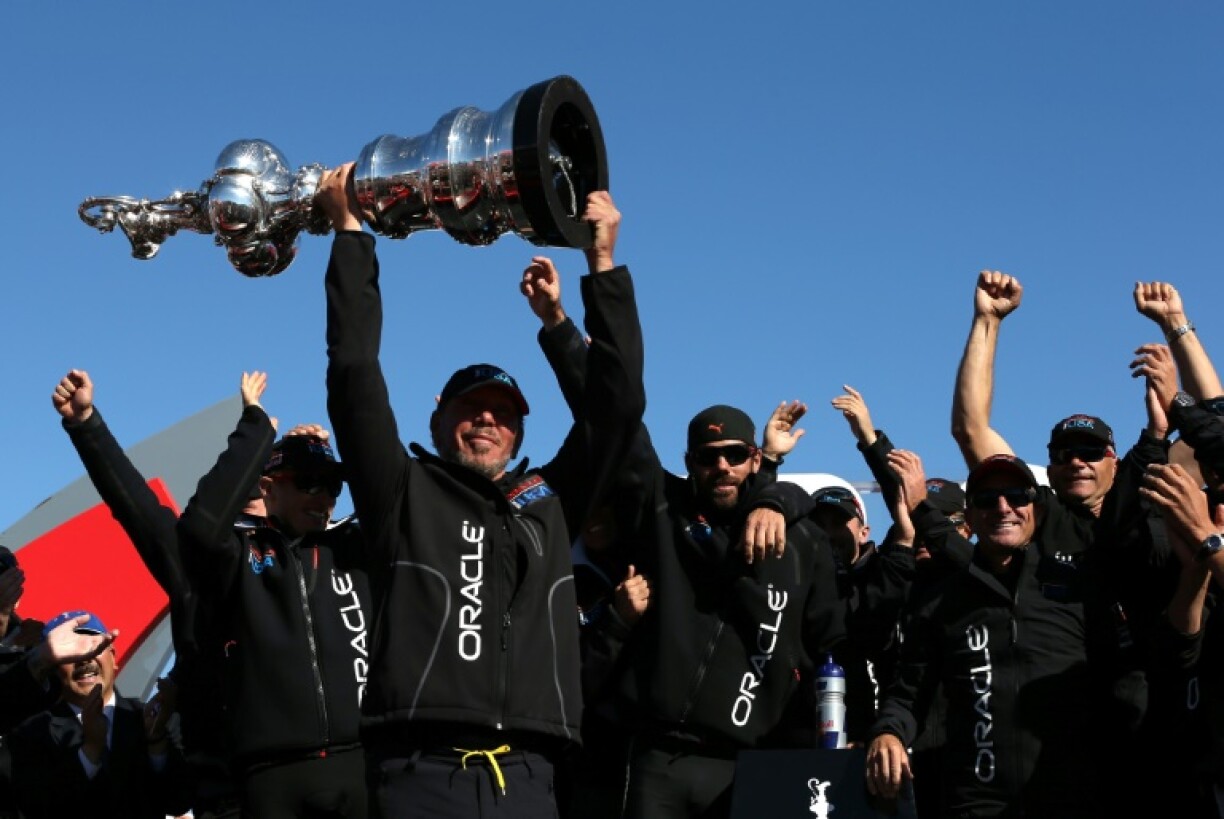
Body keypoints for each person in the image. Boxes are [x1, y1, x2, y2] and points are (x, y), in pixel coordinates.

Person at [321, 161, 645, 819]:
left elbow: (617, 408)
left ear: (522, 426)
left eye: (503, 409)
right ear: (438, 419)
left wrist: (599, 267)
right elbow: (354, 373)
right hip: (419, 776)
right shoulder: (401, 490)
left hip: (531, 776)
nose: (488, 418)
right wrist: (352, 235)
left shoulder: (548, 501)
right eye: (472, 407)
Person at [866, 455, 1134, 818]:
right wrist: (889, 732)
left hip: (1073, 797)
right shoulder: (939, 602)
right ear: (971, 518)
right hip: (975, 802)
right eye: (986, 500)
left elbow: (1124, 684)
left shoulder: (1079, 586)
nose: (1003, 507)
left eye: (1016, 496)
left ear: (1036, 510)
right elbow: (908, 694)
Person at [176, 373, 370, 818]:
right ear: (268, 488)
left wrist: (320, 451)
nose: (322, 497)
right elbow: (198, 526)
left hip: (357, 766)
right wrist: (257, 432)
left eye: (330, 486)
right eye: (306, 482)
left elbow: (386, 486)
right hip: (270, 778)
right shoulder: (241, 556)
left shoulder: (353, 550)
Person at [4, 610, 190, 819]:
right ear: (53, 669)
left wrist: (156, 741)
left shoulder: (153, 719)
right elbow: (37, 807)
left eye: (92, 646)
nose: (84, 659)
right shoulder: (29, 734)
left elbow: (179, 801)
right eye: (71, 653)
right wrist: (90, 752)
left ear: (113, 656)